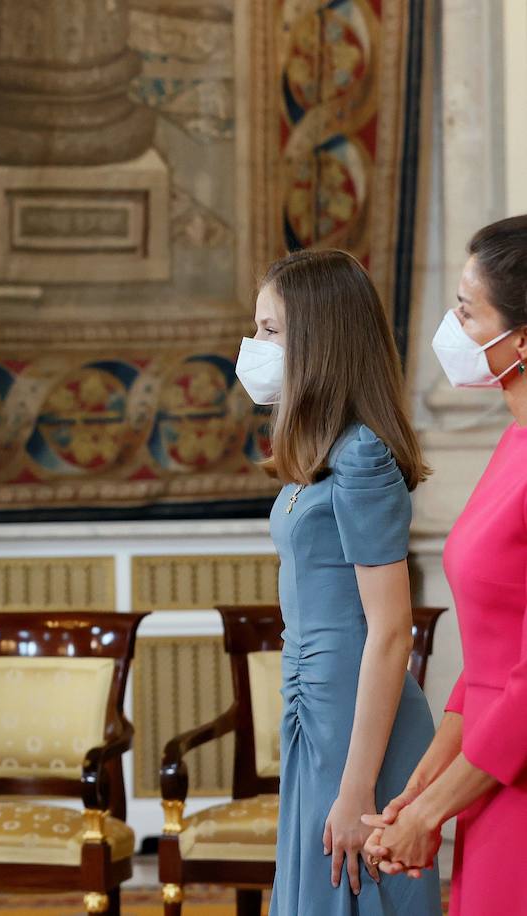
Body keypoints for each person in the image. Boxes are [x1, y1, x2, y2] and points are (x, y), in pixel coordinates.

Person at [234, 249, 440, 914]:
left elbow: (391, 631)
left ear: (319, 341)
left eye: (271, 331)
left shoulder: (363, 456)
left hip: (361, 719)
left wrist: (357, 791)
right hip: (316, 706)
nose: (255, 347)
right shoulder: (317, 455)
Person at [362, 216, 527, 914]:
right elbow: (492, 660)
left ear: (521, 340)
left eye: (467, 310)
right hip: (489, 775)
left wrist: (431, 814)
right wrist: (423, 792)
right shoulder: (513, 443)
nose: (450, 327)